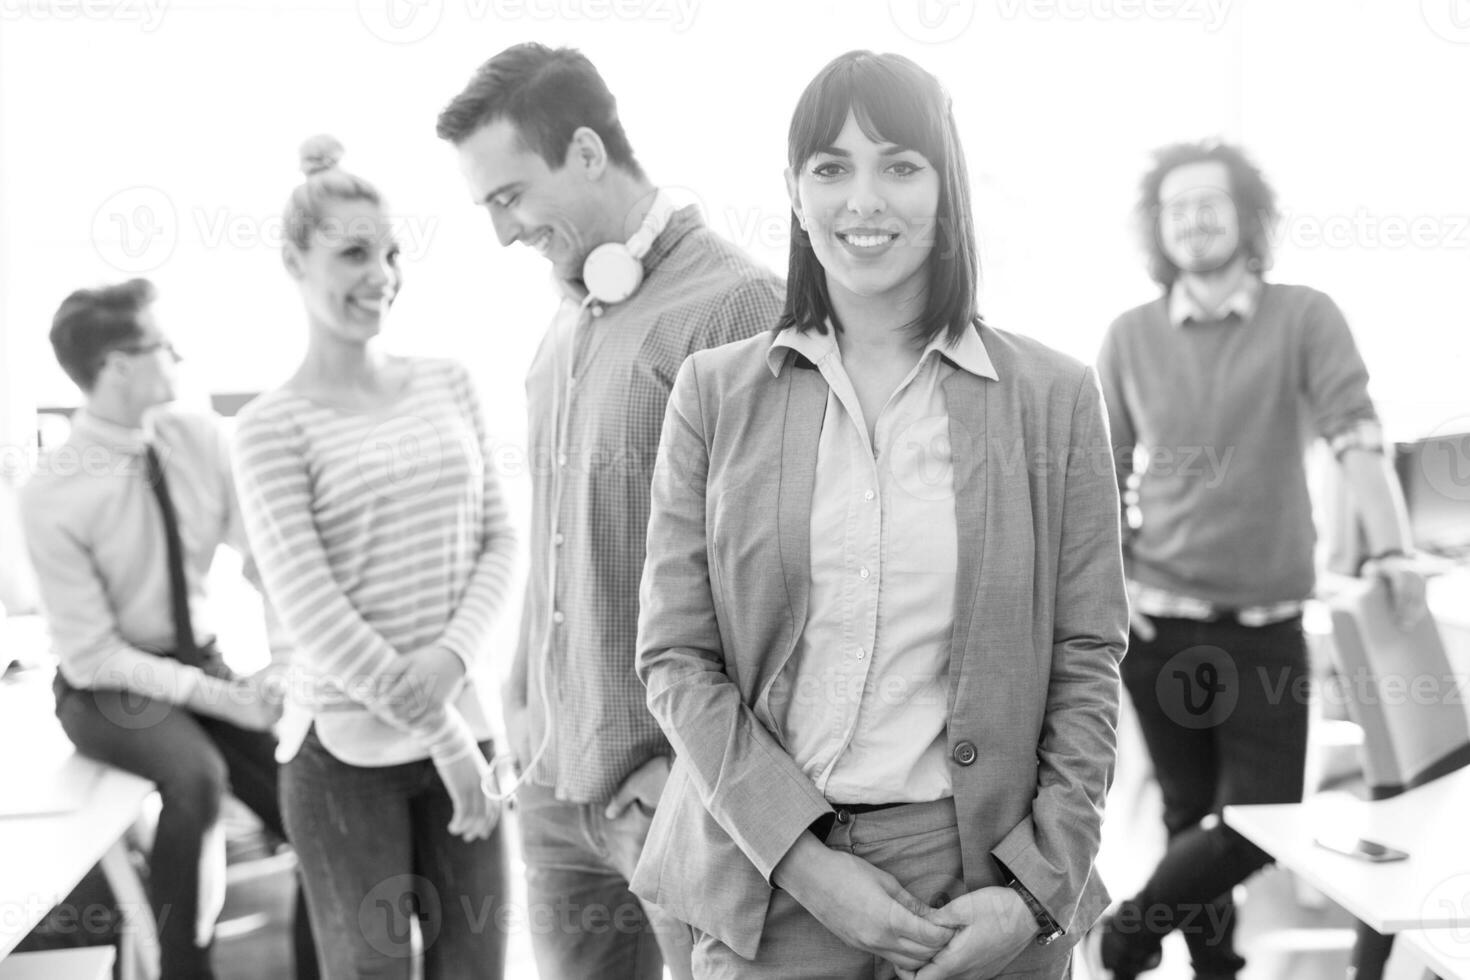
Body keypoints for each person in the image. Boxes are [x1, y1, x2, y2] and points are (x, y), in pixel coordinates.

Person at [630, 50, 1128, 980]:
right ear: (793, 189)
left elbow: (1086, 657)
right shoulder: (715, 393)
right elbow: (677, 659)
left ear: (948, 190)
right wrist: (810, 866)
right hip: (771, 877)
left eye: (900, 165)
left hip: (979, 881)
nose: (864, 200)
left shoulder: (1052, 397)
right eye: (831, 167)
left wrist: (1035, 890)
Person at [435, 43, 785, 980]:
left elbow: (778, 592)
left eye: (510, 196)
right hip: (551, 782)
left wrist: (694, 773)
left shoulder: (739, 305)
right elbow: (559, 539)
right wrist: (519, 696)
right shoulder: (565, 318)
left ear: (588, 152)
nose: (504, 232)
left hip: (673, 797)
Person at [1089, 140, 1427, 980]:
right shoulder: (1128, 337)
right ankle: (1217, 971)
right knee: (1187, 813)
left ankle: (1125, 936)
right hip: (1160, 624)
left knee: (1263, 819)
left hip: (1268, 629)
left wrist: (1392, 549)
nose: (1193, 219)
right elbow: (1104, 477)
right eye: (1175, 207)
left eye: (1210, 201)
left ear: (1248, 217)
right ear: (1156, 229)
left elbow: (1357, 437)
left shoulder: (1304, 316)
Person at [231, 136, 518, 979]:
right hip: (348, 761)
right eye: (353, 252)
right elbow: (315, 615)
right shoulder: (269, 428)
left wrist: (452, 660)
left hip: (466, 730)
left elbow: (501, 539)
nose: (381, 274)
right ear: (294, 261)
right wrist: (447, 738)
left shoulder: (450, 379)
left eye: (389, 252)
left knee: (476, 969)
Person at [21, 278, 317, 980]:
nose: (181, 356)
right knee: (199, 778)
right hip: (104, 690)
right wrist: (226, 698)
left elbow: (267, 560)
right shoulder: (50, 492)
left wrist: (280, 665)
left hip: (201, 665)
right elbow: (93, 654)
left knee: (315, 804)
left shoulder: (202, 438)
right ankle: (185, 971)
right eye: (164, 343)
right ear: (119, 366)